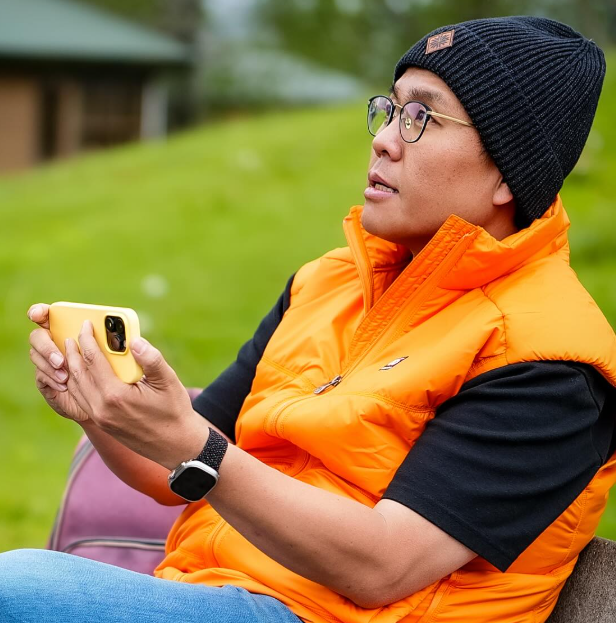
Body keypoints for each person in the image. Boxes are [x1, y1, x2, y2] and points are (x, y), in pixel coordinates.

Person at [3, 14, 616, 623]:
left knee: (18, 588)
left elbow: (383, 566)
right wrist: (100, 407)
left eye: (421, 117)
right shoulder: (325, 283)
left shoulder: (551, 361)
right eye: (389, 109)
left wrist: (194, 446)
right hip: (211, 590)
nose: (384, 139)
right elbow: (171, 470)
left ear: (507, 174)